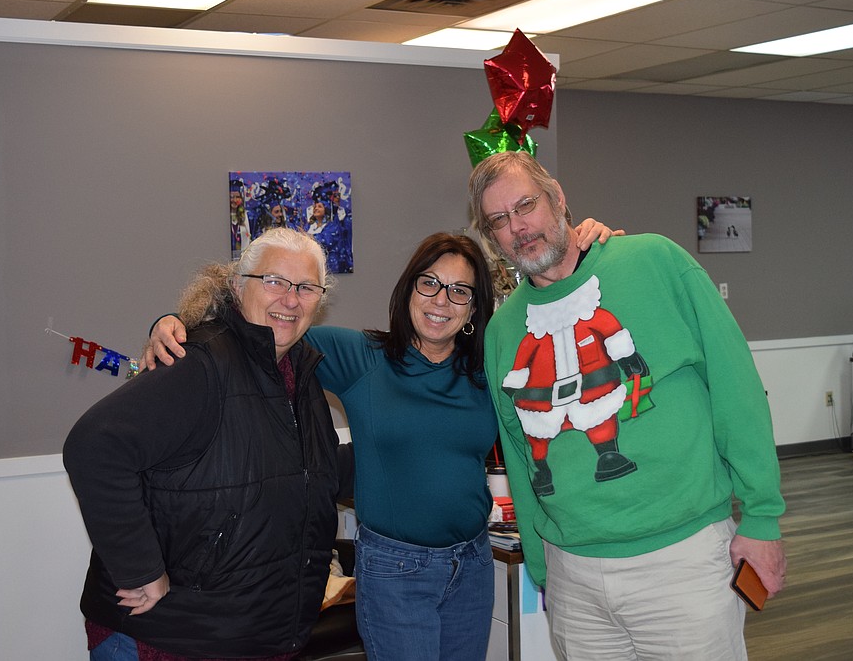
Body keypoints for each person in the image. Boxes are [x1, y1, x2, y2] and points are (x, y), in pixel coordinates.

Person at [146, 224, 619, 661]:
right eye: (429, 283)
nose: (442, 300)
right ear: (409, 289)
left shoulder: (488, 372)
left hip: (473, 565)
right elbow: (268, 324)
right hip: (396, 572)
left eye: (460, 291)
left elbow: (569, 334)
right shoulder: (360, 357)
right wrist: (177, 322)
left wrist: (592, 252)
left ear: (475, 309)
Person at [467, 151, 786, 661]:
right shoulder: (505, 329)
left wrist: (762, 518)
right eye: (499, 221)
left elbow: (736, 389)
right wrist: (542, 564)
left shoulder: (655, 262)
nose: (518, 227)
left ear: (559, 200)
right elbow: (520, 451)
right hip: (574, 579)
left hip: (684, 561)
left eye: (526, 205)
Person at [64, 228, 353, 660]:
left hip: (254, 637)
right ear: (237, 286)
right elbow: (94, 446)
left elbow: (309, 473)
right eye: (274, 281)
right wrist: (141, 569)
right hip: (166, 637)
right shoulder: (199, 363)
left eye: (306, 287)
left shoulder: (299, 373)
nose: (290, 300)